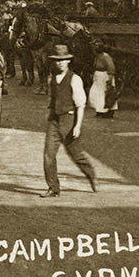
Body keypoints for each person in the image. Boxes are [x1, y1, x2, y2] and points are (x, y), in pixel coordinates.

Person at [41, 44, 98, 197]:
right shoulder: (51, 78)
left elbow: (80, 104)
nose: (60, 63)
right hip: (54, 120)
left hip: (69, 120)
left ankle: (91, 175)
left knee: (76, 154)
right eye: (57, 60)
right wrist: (50, 113)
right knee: (48, 155)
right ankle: (53, 188)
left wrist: (77, 126)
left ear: (68, 61)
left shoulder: (75, 79)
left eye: (63, 60)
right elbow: (52, 98)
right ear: (53, 61)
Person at [87, 39, 118, 119]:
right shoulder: (97, 56)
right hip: (98, 77)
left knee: (106, 94)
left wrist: (110, 79)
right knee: (95, 93)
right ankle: (99, 110)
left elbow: (111, 67)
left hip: (105, 76)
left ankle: (106, 112)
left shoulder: (106, 56)